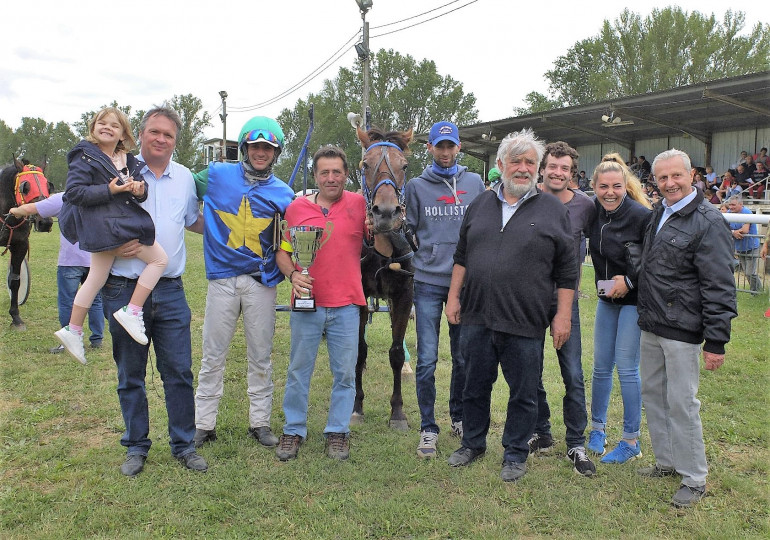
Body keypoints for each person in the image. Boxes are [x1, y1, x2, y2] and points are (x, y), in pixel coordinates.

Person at [444, 129, 576, 482]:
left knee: (524, 391)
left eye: (530, 162)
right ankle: (472, 443)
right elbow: (462, 256)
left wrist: (563, 316)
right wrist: (453, 296)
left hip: (525, 318)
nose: (522, 168)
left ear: (538, 168)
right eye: (515, 161)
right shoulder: (479, 204)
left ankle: (515, 453)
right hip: (476, 315)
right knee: (474, 385)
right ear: (500, 164)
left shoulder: (552, 209)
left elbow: (567, 270)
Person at [101, 105, 207, 477]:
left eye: (169, 135)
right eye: (154, 132)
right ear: (140, 134)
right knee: (130, 373)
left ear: (176, 141)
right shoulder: (115, 171)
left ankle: (184, 444)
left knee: (178, 371)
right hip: (123, 289)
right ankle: (135, 447)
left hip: (171, 290)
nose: (161, 139)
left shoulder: (185, 178)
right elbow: (83, 217)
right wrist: (111, 247)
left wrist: (239, 226)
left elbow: (193, 220)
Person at [636, 149, 736, 508]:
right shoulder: (659, 212)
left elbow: (720, 285)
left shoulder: (709, 222)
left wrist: (717, 341)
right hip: (651, 324)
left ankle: (694, 478)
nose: (669, 184)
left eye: (675, 176)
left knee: (681, 402)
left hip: (683, 330)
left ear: (692, 174)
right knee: (653, 395)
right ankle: (666, 462)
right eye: (662, 178)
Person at [192, 117, 295, 449]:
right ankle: (203, 424)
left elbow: (294, 237)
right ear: (245, 148)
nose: (261, 153)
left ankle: (260, 422)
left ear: (275, 152)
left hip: (261, 282)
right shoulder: (218, 174)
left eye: (267, 148)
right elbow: (181, 186)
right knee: (213, 354)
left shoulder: (285, 193)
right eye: (255, 146)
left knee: (261, 355)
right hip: (222, 280)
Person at [275, 145, 367, 461]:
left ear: (346, 175)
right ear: (316, 175)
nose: (331, 178)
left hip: (347, 305)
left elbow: (380, 238)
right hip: (306, 303)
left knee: (344, 374)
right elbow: (283, 252)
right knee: (299, 371)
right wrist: (292, 275)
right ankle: (293, 430)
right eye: (324, 172)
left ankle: (338, 431)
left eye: (337, 172)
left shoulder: (359, 205)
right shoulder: (296, 208)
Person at [56, 107, 168, 365]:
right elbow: (73, 193)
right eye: (102, 123)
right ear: (93, 126)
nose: (107, 127)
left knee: (95, 277)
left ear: (122, 134)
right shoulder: (84, 156)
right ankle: (133, 310)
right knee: (160, 260)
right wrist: (109, 190)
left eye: (114, 126)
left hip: (108, 224)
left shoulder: (126, 160)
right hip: (110, 226)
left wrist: (139, 190)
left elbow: (141, 191)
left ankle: (72, 329)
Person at [404, 121, 485, 459]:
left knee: (463, 357)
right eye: (440, 146)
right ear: (430, 148)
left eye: (451, 146)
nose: (446, 152)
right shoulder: (416, 187)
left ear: (459, 147)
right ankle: (427, 428)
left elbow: (483, 227)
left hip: (464, 285)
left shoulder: (475, 182)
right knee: (426, 360)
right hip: (426, 284)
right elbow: (407, 229)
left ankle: (459, 417)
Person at [527, 141, 597, 477]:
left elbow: (603, 244)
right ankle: (541, 432)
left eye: (564, 168)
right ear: (543, 168)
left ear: (573, 173)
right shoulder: (528, 199)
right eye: (552, 166)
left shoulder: (585, 205)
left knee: (572, 373)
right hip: (529, 299)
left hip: (565, 301)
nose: (557, 173)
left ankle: (576, 443)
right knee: (531, 368)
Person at [585, 160, 651, 464]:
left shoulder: (641, 216)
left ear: (626, 186)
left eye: (616, 186)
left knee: (626, 367)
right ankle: (597, 429)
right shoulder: (592, 212)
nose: (610, 192)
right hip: (606, 300)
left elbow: (654, 259)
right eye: (603, 186)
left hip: (633, 301)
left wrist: (629, 280)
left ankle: (630, 440)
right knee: (600, 367)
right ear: (594, 187)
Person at [10, 193, 105, 353]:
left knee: (67, 301)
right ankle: (97, 339)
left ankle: (68, 340)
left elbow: (33, 208)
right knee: (95, 300)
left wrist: (15, 210)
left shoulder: (63, 198)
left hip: (69, 261)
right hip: (95, 259)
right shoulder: (99, 195)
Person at [726, 194, 761, 294]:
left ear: (741, 204)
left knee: (750, 273)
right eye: (730, 205)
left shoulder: (747, 212)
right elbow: (724, 228)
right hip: (740, 247)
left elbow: (745, 230)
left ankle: (756, 292)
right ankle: (756, 291)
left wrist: (732, 232)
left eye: (733, 205)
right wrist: (734, 232)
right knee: (747, 273)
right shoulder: (729, 213)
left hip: (751, 246)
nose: (731, 207)